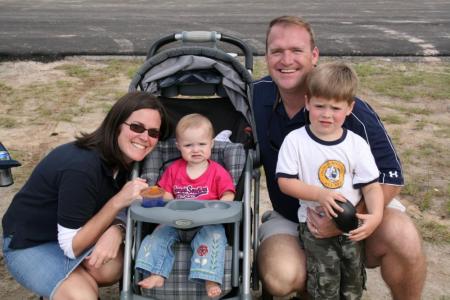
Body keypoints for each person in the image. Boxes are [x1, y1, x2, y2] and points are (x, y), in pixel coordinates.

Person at [253, 15, 426, 299]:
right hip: (292, 215)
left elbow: (390, 176)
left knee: (403, 237)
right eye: (277, 51)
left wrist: (348, 219)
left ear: (314, 55)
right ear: (267, 56)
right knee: (281, 276)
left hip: (355, 210)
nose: (287, 60)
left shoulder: (350, 111)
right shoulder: (256, 95)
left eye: (297, 50)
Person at [2, 91, 169, 300]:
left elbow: (124, 211)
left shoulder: (127, 161)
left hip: (73, 234)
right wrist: (117, 201)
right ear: (117, 124)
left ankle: (67, 283)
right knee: (83, 296)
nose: (145, 138)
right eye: (136, 127)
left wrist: (117, 229)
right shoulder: (81, 167)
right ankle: (69, 286)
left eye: (153, 133)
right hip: (30, 243)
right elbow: (72, 247)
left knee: (112, 267)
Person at [276, 62, 384, 299]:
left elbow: (372, 186)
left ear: (349, 108)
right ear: (307, 102)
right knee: (324, 283)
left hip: (350, 227)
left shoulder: (356, 144)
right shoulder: (295, 141)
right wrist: (319, 195)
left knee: (353, 281)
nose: (326, 114)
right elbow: (285, 182)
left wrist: (375, 216)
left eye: (335, 108)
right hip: (315, 226)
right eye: (319, 106)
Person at [135, 113, 235, 298]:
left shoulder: (217, 172)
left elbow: (228, 193)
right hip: (174, 220)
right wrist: (163, 196)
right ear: (178, 146)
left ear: (211, 144)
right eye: (189, 145)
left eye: (202, 144)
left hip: (206, 222)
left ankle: (210, 278)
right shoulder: (174, 170)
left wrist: (222, 204)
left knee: (214, 238)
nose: (196, 149)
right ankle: (157, 273)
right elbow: (165, 192)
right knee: (157, 237)